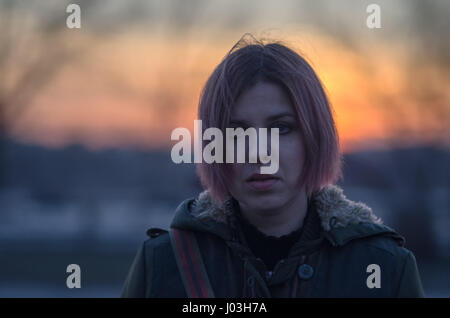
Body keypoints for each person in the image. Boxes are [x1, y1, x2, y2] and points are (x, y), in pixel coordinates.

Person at [120, 36, 424, 298]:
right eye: (237, 133)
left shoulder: (384, 268)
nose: (260, 153)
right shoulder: (163, 264)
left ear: (315, 138)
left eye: (281, 129)